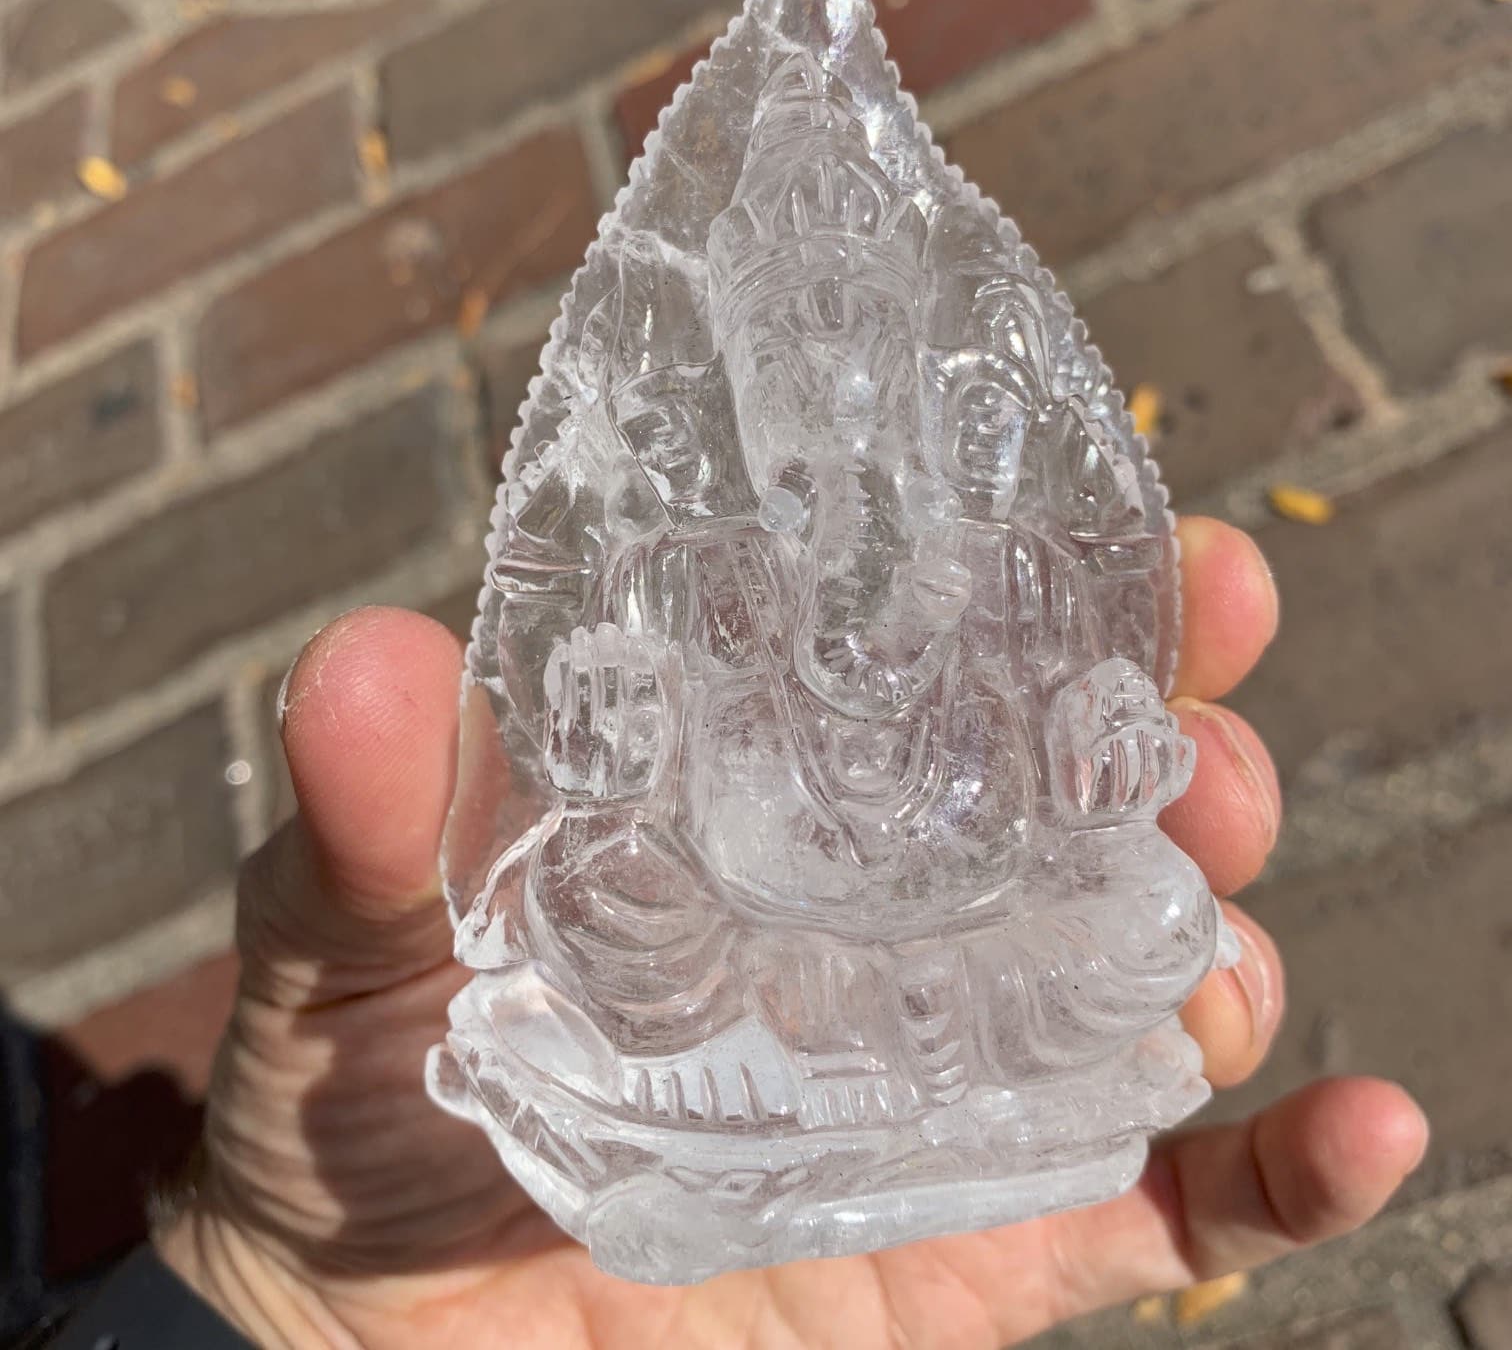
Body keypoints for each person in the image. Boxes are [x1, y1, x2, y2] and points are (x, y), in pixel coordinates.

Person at [72, 514, 1425, 1349]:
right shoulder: (687, 600)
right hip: (761, 976)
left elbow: (1059, 797)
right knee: (604, 904)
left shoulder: (994, 580)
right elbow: (625, 862)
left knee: (1163, 912)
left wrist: (1107, 766)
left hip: (953, 953)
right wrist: (607, 794)